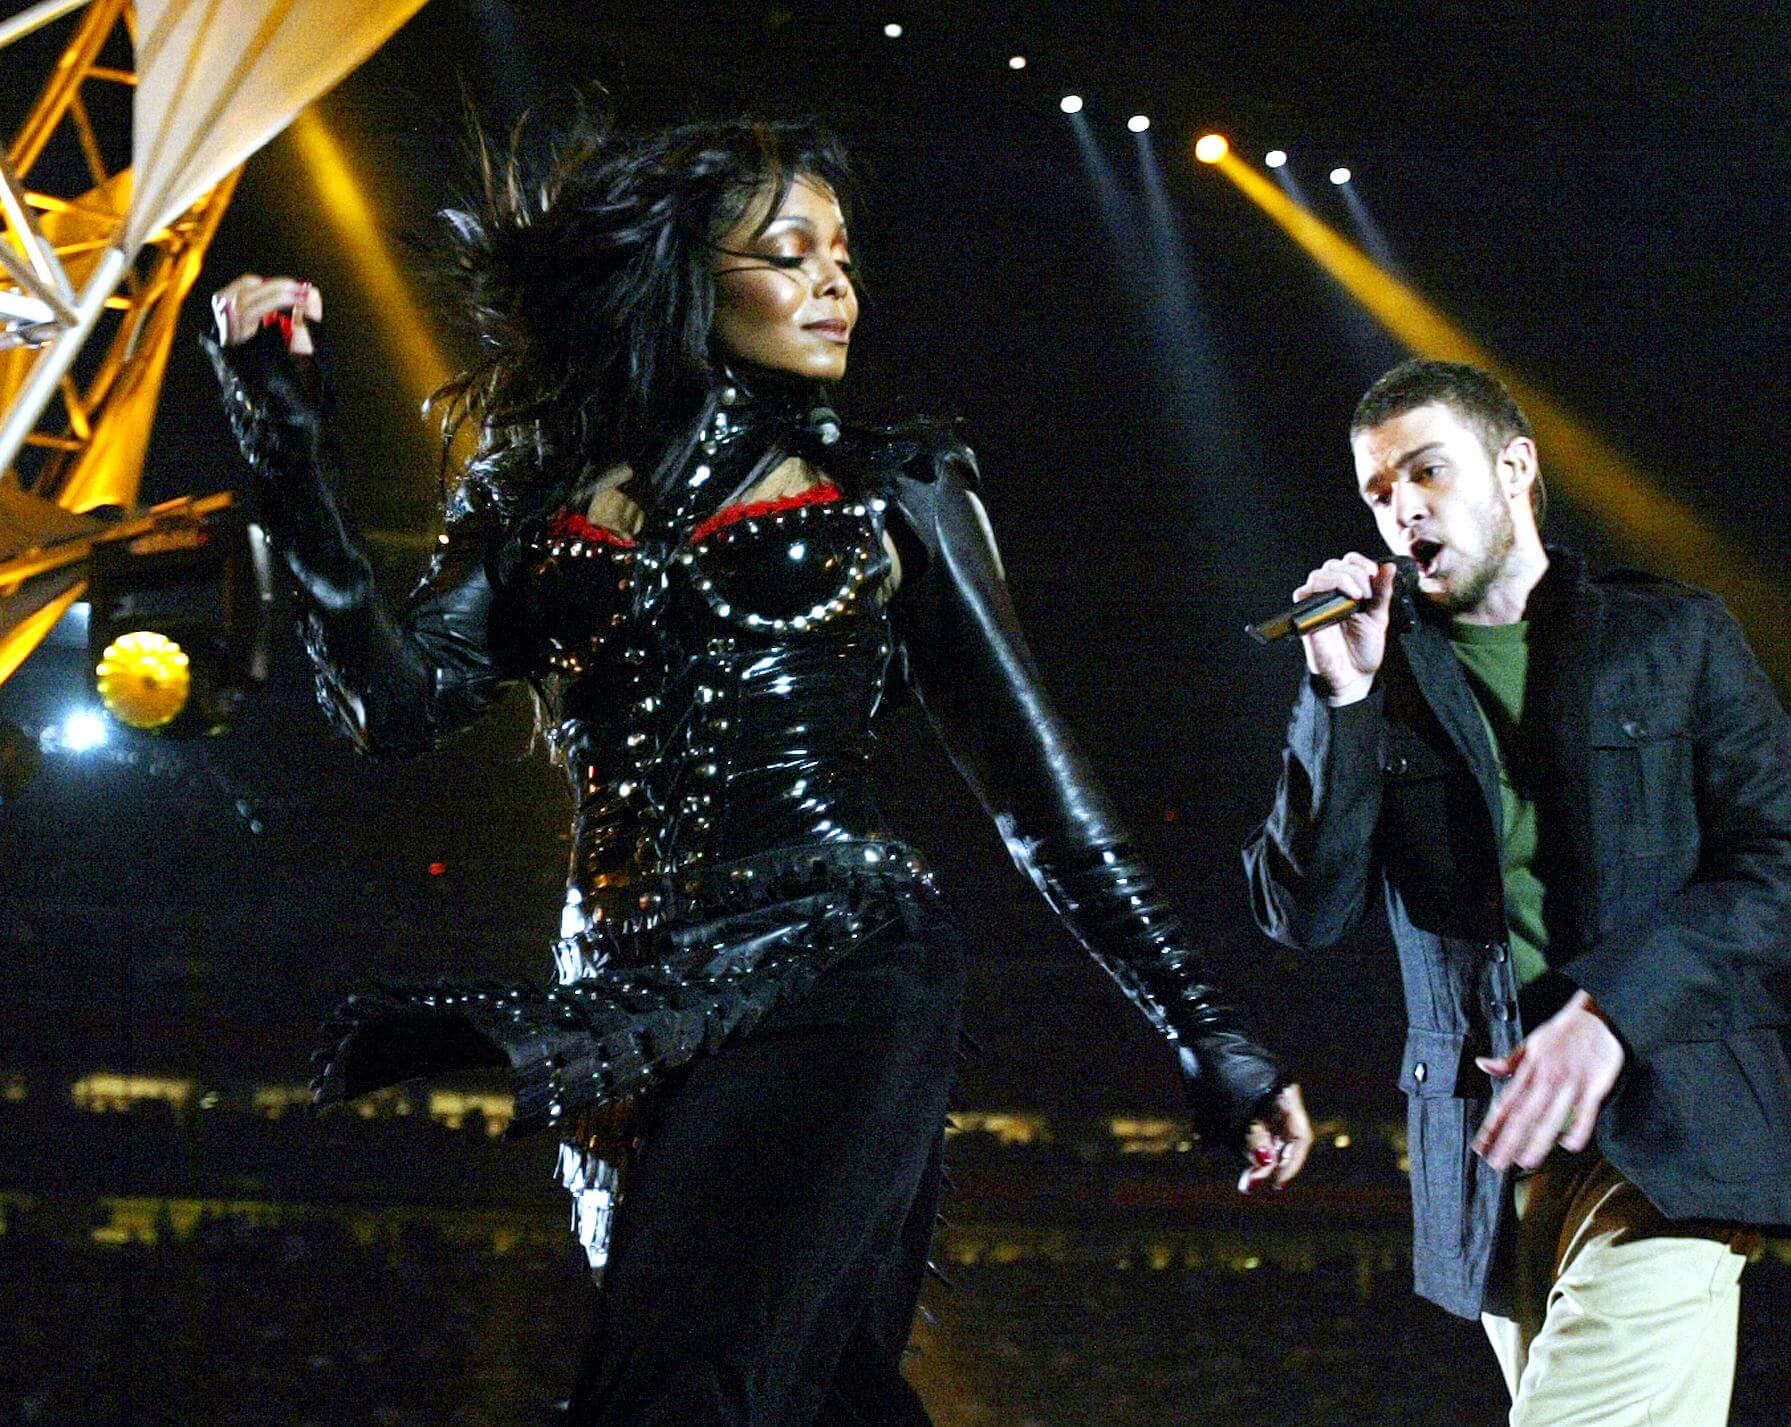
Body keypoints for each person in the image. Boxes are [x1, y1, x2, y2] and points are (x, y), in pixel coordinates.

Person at [203, 113, 1311, 1426]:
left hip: (838, 966)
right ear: (683, 276)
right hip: (619, 994)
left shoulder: (896, 496)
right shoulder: (543, 497)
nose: (836, 282)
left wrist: (1207, 1032)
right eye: (793, 254)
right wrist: (285, 436)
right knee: (811, 1388)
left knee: (675, 1380)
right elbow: (389, 704)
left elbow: (1044, 798)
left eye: (843, 254)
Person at [1244, 359, 1791, 1425]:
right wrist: (1334, 702)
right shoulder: (1371, 678)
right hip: (1492, 1158)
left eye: (1426, 471)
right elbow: (1303, 911)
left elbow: (1790, 865)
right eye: (1378, 492)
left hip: (1669, 1134)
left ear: (1514, 465)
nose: (1402, 509)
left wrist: (1614, 1007)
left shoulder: (1672, 636)